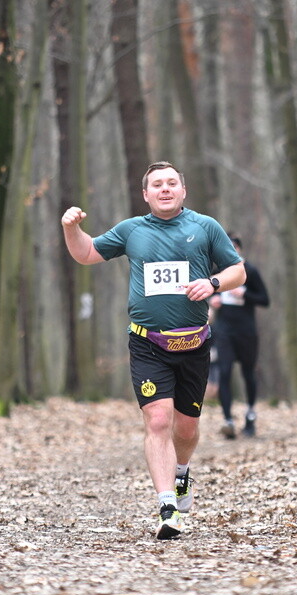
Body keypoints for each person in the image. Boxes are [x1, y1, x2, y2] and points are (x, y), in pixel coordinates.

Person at [61, 161, 246, 540]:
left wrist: (212, 283)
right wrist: (71, 227)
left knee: (187, 427)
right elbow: (86, 254)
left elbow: (238, 272)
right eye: (157, 184)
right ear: (146, 194)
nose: (165, 189)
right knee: (158, 421)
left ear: (183, 190)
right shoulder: (132, 230)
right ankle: (167, 507)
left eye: (172, 183)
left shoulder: (205, 227)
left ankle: (181, 473)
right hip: (148, 343)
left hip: (194, 343)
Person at [210, 235, 269, 438]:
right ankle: (228, 420)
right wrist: (213, 298)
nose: (230, 251)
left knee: (247, 373)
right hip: (224, 330)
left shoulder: (250, 271)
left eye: (234, 248)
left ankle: (250, 415)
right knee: (224, 373)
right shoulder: (216, 272)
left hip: (247, 331)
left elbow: (265, 299)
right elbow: (206, 293)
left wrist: (244, 294)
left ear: (239, 250)